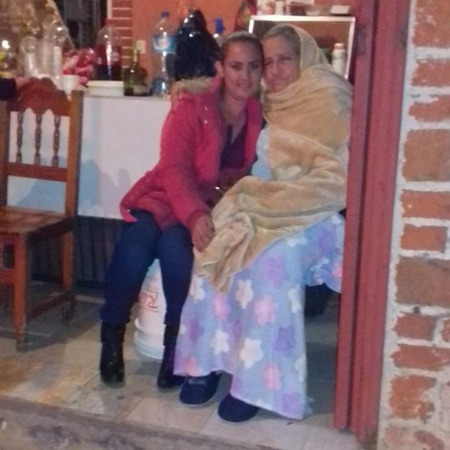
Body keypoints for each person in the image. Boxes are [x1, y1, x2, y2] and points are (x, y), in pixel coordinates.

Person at [174, 24, 352, 422]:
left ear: (304, 58)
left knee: (272, 258)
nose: (273, 72)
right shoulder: (268, 99)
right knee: (218, 242)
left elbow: (340, 172)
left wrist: (282, 199)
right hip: (266, 203)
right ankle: (206, 361)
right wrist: (188, 87)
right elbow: (226, 83)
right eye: (266, 63)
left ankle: (259, 383)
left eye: (284, 60)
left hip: (317, 210)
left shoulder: (329, 96)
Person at [99, 31, 264, 390]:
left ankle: (175, 348)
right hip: (166, 196)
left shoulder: (259, 114)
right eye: (236, 66)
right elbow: (174, 170)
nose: (245, 76)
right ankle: (111, 337)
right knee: (134, 247)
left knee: (177, 253)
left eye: (254, 66)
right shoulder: (192, 107)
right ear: (220, 68)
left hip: (207, 205)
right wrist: (194, 214)